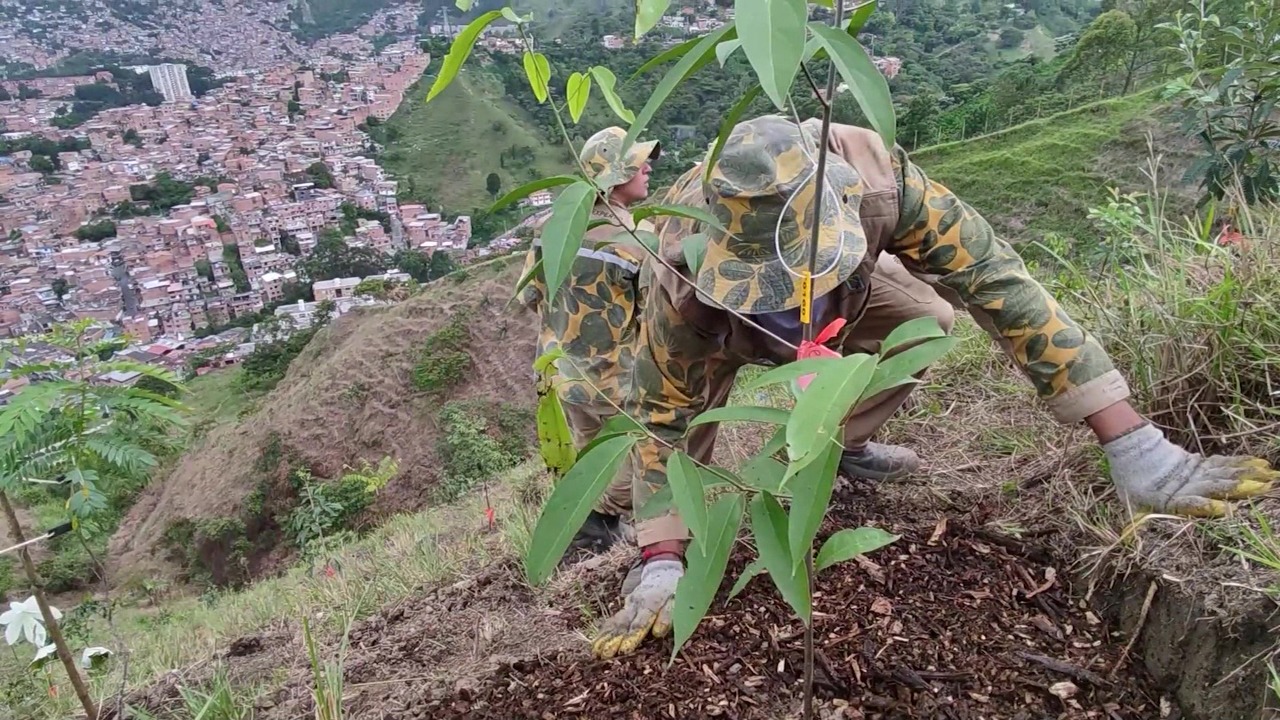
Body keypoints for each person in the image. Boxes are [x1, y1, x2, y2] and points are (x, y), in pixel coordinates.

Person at [586, 113, 1278, 659]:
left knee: (926, 318)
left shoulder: (879, 180)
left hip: (855, 285)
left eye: (803, 273)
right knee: (686, 425)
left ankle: (837, 441)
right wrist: (662, 563)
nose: (793, 299)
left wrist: (1138, 450)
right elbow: (664, 419)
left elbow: (1002, 287)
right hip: (720, 317)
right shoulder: (680, 267)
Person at [518, 125, 662, 554]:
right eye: (639, 163)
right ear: (616, 175)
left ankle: (600, 529)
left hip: (566, 371)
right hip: (620, 379)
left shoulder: (555, 227)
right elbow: (657, 313)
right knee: (641, 452)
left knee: (592, 454)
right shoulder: (639, 239)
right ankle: (595, 522)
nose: (649, 167)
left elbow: (529, 295)